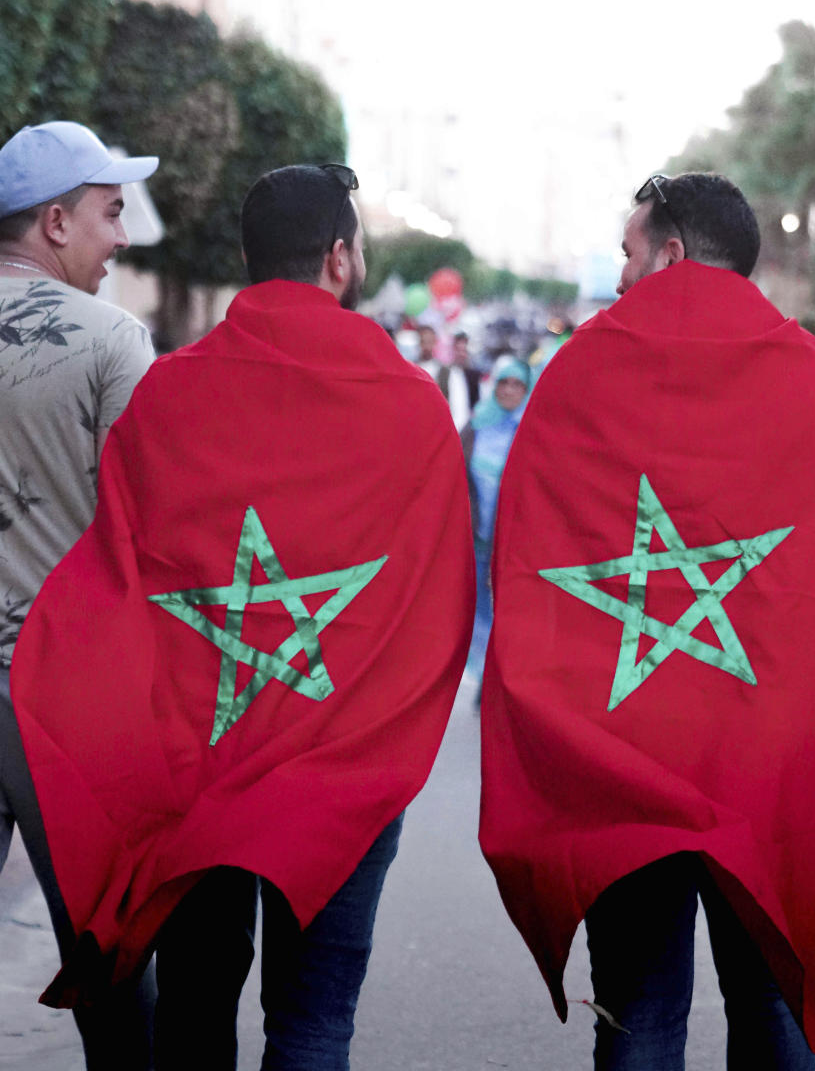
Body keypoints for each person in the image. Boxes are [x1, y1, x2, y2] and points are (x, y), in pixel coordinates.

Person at [12, 163, 474, 1070]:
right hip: (345, 768)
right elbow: (441, 593)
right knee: (313, 1024)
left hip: (194, 771)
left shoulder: (168, 395)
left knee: (192, 1015)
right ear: (339, 259)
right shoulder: (411, 403)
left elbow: (119, 581)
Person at [479, 172, 815, 1068]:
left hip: (620, 765)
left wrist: (544, 719)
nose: (622, 274)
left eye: (631, 254)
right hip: (773, 769)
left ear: (672, 254)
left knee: (640, 1013)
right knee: (772, 1009)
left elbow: (528, 570)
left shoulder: (576, 378)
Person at [0, 120, 159, 1068]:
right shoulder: (110, 340)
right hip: (65, 701)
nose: (124, 237)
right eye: (109, 214)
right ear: (55, 223)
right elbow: (149, 524)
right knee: (109, 953)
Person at [460, 356, 531, 691]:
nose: (509, 390)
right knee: (476, 608)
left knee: (509, 611)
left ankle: (498, 676)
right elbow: (454, 473)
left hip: (515, 540)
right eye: (504, 382)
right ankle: (482, 673)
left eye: (518, 384)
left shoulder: (533, 429)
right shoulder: (476, 425)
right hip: (475, 539)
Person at [438, 331, 482, 430]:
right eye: (458, 350)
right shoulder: (444, 372)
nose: (461, 354)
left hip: (467, 429)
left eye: (464, 350)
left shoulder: (473, 375)